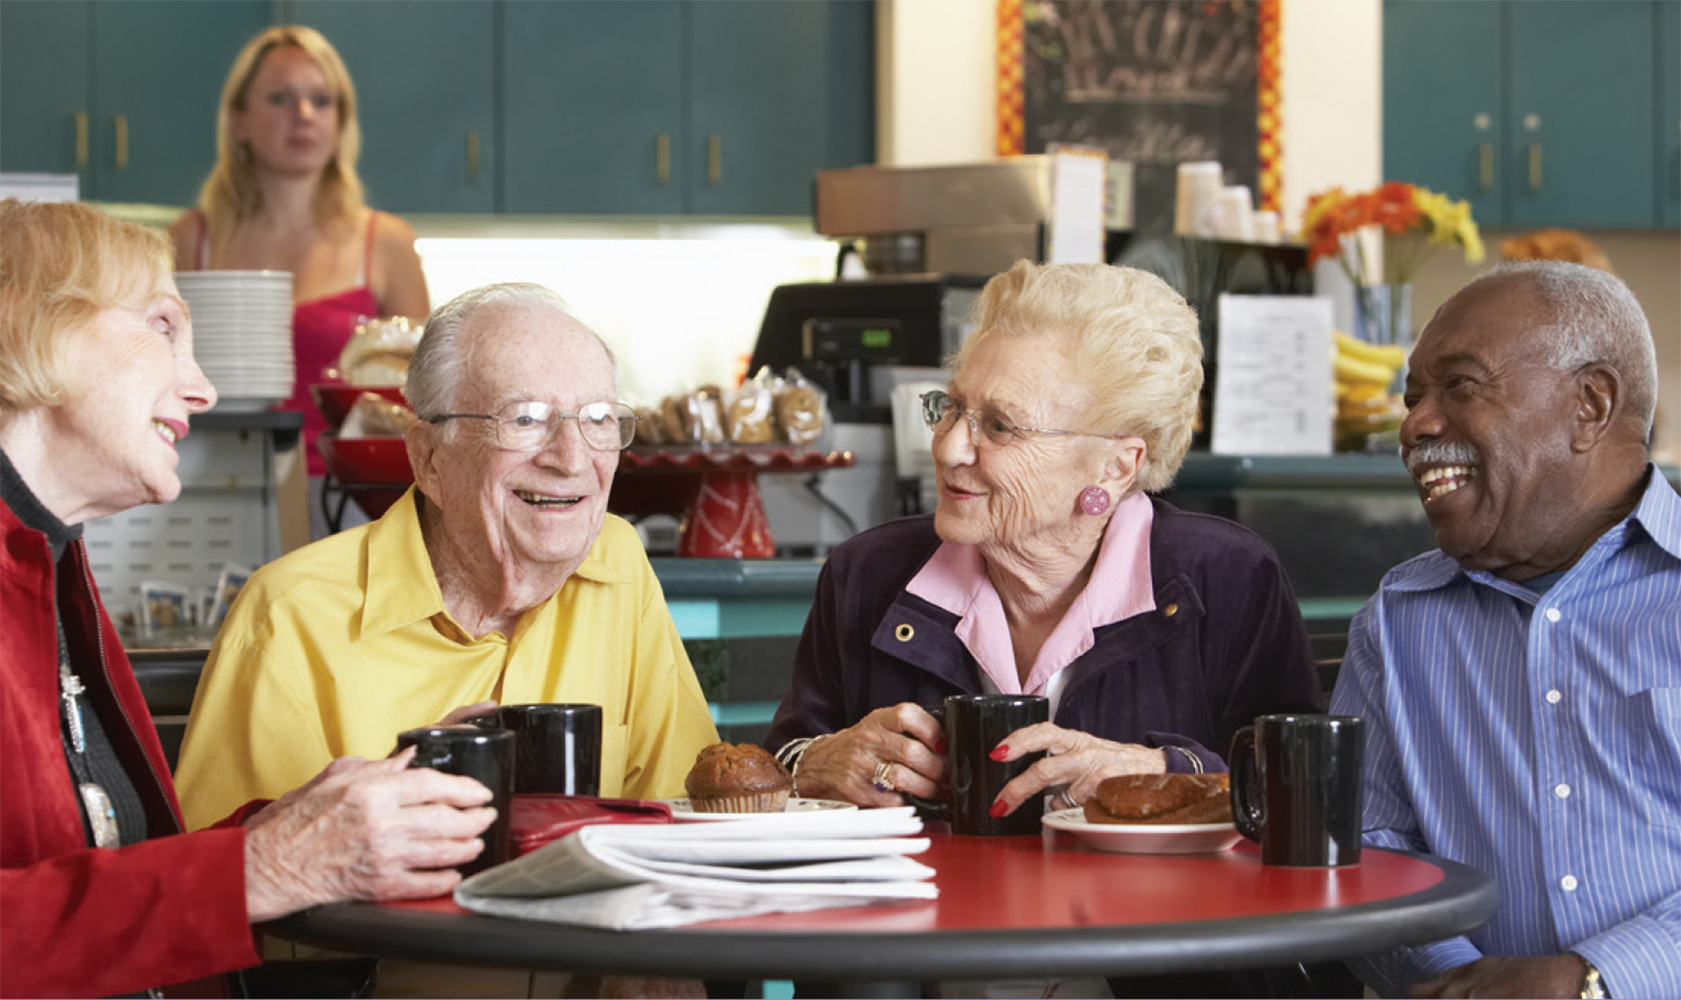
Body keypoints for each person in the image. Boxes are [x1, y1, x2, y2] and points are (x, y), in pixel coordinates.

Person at [0, 198, 495, 998]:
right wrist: (258, 869)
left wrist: (315, 822)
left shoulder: (53, 564)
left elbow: (99, 870)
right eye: (164, 326)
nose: (202, 389)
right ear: (31, 322)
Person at [767, 260, 1324, 817]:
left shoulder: (1229, 578)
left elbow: (1305, 794)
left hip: (1149, 906)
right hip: (929, 903)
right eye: (952, 408)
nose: (948, 448)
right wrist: (813, 764)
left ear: (1115, 465)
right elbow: (773, 770)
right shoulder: (866, 574)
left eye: (1000, 426)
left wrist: (1165, 772)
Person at [175, 282, 719, 828]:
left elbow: (687, 816)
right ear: (429, 458)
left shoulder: (617, 562)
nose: (572, 460)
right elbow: (227, 876)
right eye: (526, 418)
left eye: (599, 419)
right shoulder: (289, 616)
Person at [1330, 261, 1681, 999]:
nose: (1415, 424)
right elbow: (1365, 845)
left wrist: (1591, 982)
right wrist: (1458, 982)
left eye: (1458, 385)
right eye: (1413, 397)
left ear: (1589, 405)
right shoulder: (1395, 623)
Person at [169, 25, 430, 536]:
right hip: (211, 490)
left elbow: (427, 398)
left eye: (321, 100)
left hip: (353, 504)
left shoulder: (387, 243)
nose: (304, 115)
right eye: (280, 98)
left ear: (341, 121)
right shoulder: (189, 241)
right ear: (239, 120)